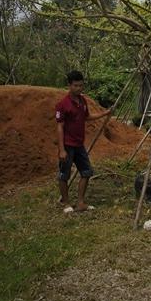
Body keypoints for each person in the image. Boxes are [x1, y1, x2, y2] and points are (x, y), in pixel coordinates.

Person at [55, 70, 110, 213]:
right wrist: (61, 149)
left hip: (79, 145)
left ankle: (80, 202)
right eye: (76, 86)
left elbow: (87, 117)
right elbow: (59, 127)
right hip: (67, 145)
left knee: (86, 172)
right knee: (64, 175)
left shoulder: (83, 101)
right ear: (69, 85)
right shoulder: (63, 104)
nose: (79, 88)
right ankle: (66, 203)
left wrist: (104, 114)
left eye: (81, 85)